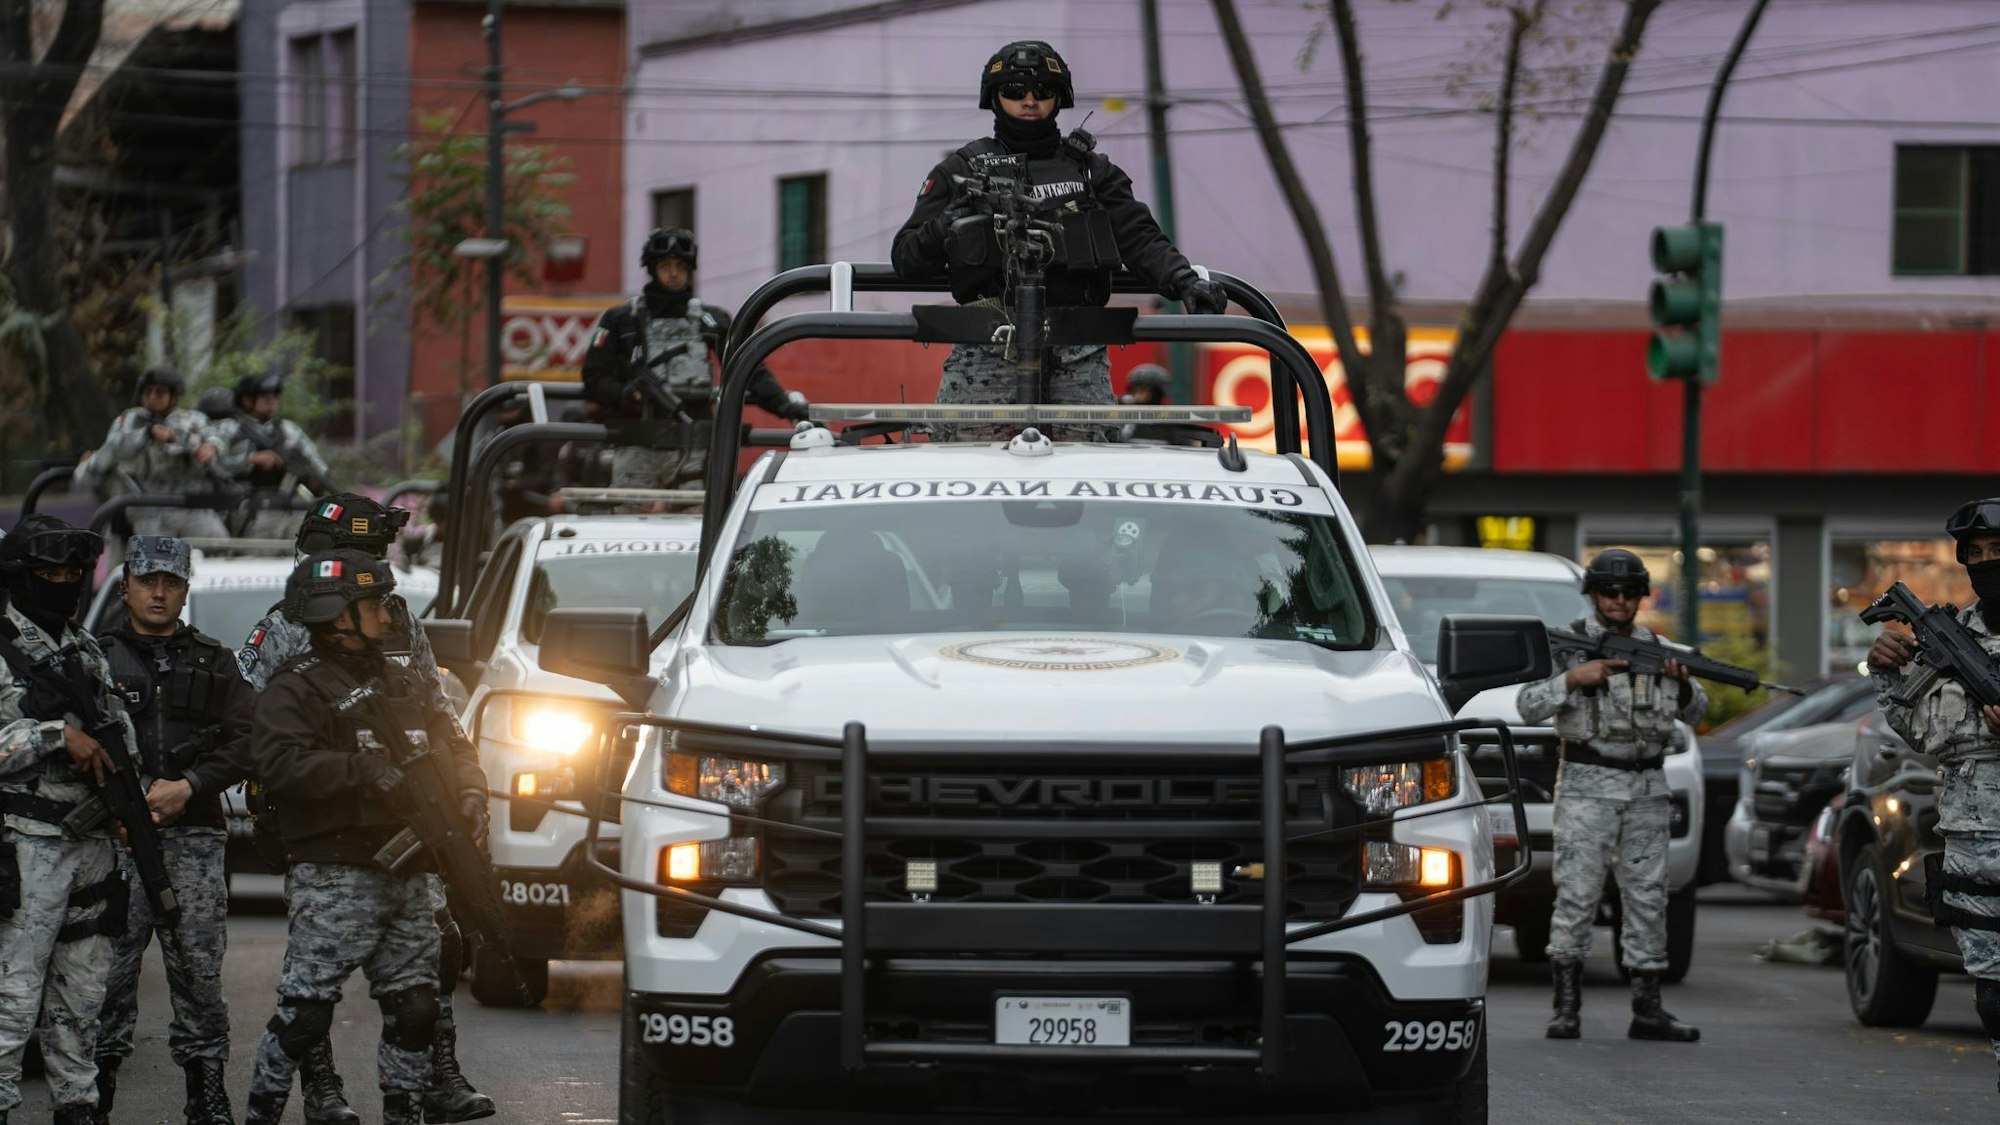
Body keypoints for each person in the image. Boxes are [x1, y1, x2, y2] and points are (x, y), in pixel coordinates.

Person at [235, 494, 491, 1125]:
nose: (373, 571)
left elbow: (437, 708)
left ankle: (436, 1078)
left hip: (409, 825)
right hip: (326, 837)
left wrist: (468, 783)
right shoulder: (290, 626)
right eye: (360, 555)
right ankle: (320, 1090)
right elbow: (254, 732)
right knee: (312, 989)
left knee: (432, 961)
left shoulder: (396, 618)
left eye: (377, 555)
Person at [892, 41, 1227, 440]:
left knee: (1087, 484)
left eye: (1042, 91)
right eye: (1015, 92)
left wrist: (1186, 282)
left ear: (1059, 97)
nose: (1029, 101)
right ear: (995, 97)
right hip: (984, 352)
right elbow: (907, 258)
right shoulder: (961, 170)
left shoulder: (1092, 173)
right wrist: (949, 222)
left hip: (1078, 354)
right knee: (967, 480)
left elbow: (1139, 237)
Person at [92, 537, 255, 1125]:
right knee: (104, 978)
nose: (158, 592)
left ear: (186, 589)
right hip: (113, 842)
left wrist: (190, 784)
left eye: (171, 582)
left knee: (199, 973)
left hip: (193, 840)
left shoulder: (215, 661)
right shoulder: (94, 657)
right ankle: (94, 1094)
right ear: (127, 584)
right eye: (147, 580)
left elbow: (249, 742)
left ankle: (206, 1093)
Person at [1515, 549, 1702, 1043]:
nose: (1619, 601)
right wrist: (1573, 679)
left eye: (1629, 592)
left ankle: (1647, 1006)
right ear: (1593, 594)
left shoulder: (1661, 649)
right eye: (1609, 592)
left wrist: (1682, 689)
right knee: (1577, 894)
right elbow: (1527, 705)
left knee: (1647, 897)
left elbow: (1698, 711)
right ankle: (1567, 1006)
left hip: (1647, 787)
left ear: (1642, 596)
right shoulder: (1569, 648)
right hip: (1586, 786)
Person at [1865, 498, 2000, 1091]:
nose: (1987, 564)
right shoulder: (1949, 636)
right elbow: (1920, 731)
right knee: (1994, 987)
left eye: (1999, 552)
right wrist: (1889, 671)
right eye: (1976, 556)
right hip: (1974, 837)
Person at [0, 516, 126, 1125]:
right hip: (26, 849)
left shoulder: (87, 648)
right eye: (50, 573)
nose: (64, 583)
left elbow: (116, 733)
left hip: (93, 844)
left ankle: (77, 1106)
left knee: (82, 1000)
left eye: (73, 573)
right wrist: (53, 735)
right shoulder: (2, 647)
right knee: (13, 1000)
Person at [581, 228, 811, 491]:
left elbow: (749, 371)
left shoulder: (711, 320)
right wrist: (625, 394)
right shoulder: (621, 320)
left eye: (680, 265)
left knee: (696, 519)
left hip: (696, 441)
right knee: (631, 518)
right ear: (653, 268)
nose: (674, 273)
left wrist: (786, 407)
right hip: (638, 438)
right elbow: (594, 377)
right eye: (666, 265)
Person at [75, 368, 231, 541]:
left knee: (219, 545)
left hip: (190, 503)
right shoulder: (131, 419)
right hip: (147, 506)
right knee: (154, 556)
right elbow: (115, 447)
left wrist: (211, 447)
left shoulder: (193, 419)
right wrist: (147, 433)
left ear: (174, 396)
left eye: (160, 393)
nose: (152, 398)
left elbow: (214, 434)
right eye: (147, 392)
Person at [213, 372, 335, 540]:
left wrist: (315, 480)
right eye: (264, 395)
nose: (271, 400)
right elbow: (211, 465)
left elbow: (317, 465)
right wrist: (250, 460)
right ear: (247, 399)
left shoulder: (288, 430)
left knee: (308, 543)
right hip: (246, 507)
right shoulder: (229, 427)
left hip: (288, 505)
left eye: (274, 395)